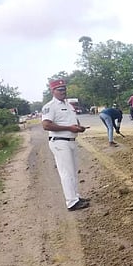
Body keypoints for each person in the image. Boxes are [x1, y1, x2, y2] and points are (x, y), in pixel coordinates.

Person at [41, 79, 90, 211]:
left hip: (70, 141)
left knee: (73, 171)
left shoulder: (68, 105)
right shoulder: (50, 106)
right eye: (60, 89)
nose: (63, 92)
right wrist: (69, 128)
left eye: (64, 89)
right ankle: (72, 202)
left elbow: (72, 121)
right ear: (53, 91)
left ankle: (75, 197)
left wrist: (79, 128)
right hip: (59, 141)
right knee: (66, 173)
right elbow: (46, 125)